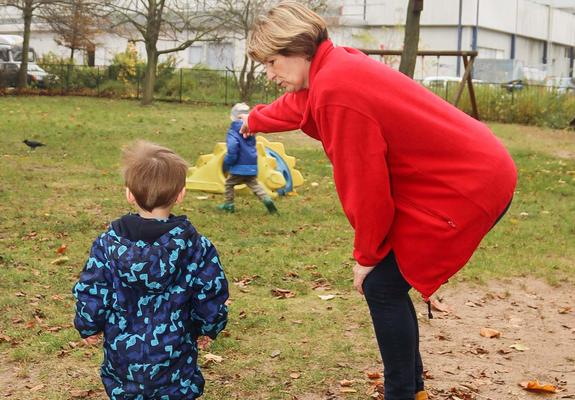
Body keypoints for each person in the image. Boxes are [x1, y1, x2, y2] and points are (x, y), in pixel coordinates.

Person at [240, 2, 517, 399]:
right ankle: (411, 390)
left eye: (271, 62)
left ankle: (402, 392)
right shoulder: (336, 64)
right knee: (385, 285)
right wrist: (257, 119)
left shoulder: (336, 91)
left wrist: (367, 256)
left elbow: (365, 190)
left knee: (382, 286)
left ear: (297, 48)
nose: (269, 74)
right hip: (475, 168)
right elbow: (302, 104)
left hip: (466, 186)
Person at [72, 140, 229, 400]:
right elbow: (210, 294)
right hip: (175, 357)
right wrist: (210, 327)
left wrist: (88, 325)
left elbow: (92, 290)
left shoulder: (107, 245)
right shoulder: (197, 247)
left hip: (123, 358)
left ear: (129, 194)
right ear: (180, 194)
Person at [218, 102, 278, 214]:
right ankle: (267, 200)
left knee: (229, 184)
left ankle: (229, 205)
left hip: (238, 167)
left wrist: (228, 162)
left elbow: (232, 148)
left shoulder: (233, 131)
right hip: (251, 165)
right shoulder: (251, 130)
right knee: (255, 186)